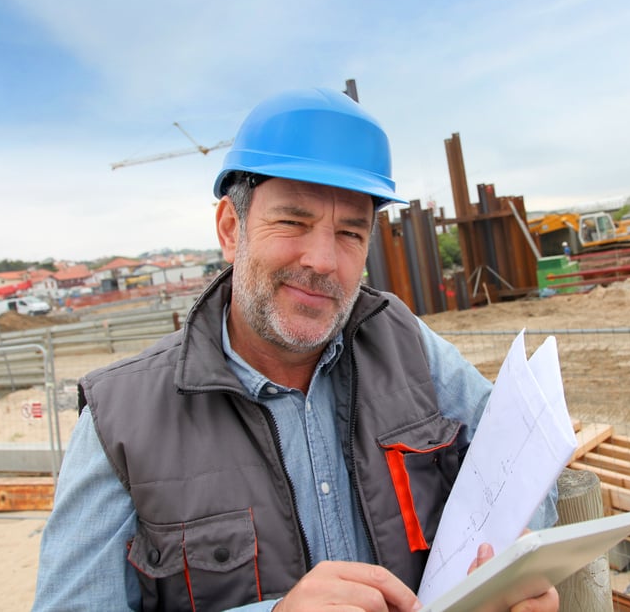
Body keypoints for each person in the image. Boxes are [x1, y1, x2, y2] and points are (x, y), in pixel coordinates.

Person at [32, 88, 559, 611]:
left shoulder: (407, 346)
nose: (324, 260)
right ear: (230, 227)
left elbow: (527, 472)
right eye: (293, 222)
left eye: (350, 232)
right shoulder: (120, 420)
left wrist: (505, 569)